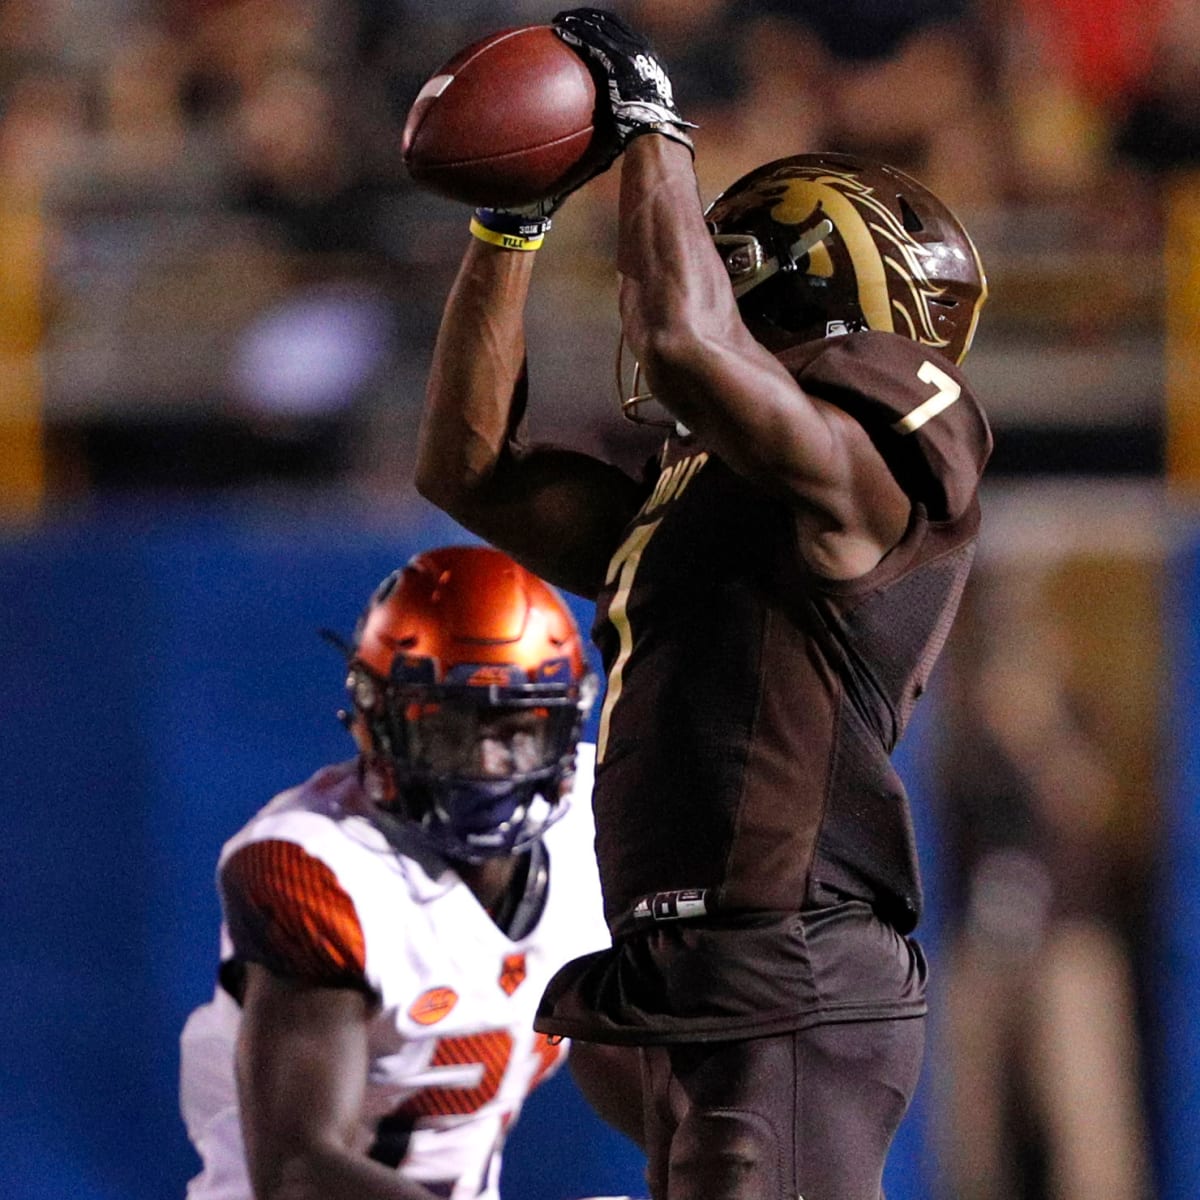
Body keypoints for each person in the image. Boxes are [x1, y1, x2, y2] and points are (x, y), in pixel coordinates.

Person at [414, 8, 992, 1200]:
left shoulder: (876, 466)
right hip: (688, 972)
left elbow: (685, 337)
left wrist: (652, 128)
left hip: (790, 972)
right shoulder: (712, 498)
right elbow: (469, 468)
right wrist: (509, 225)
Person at [179, 544, 641, 1200]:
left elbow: (616, 1042)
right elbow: (298, 1171)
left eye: (515, 730)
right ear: (378, 721)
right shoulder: (320, 864)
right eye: (451, 729)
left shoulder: (600, 817)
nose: (487, 765)